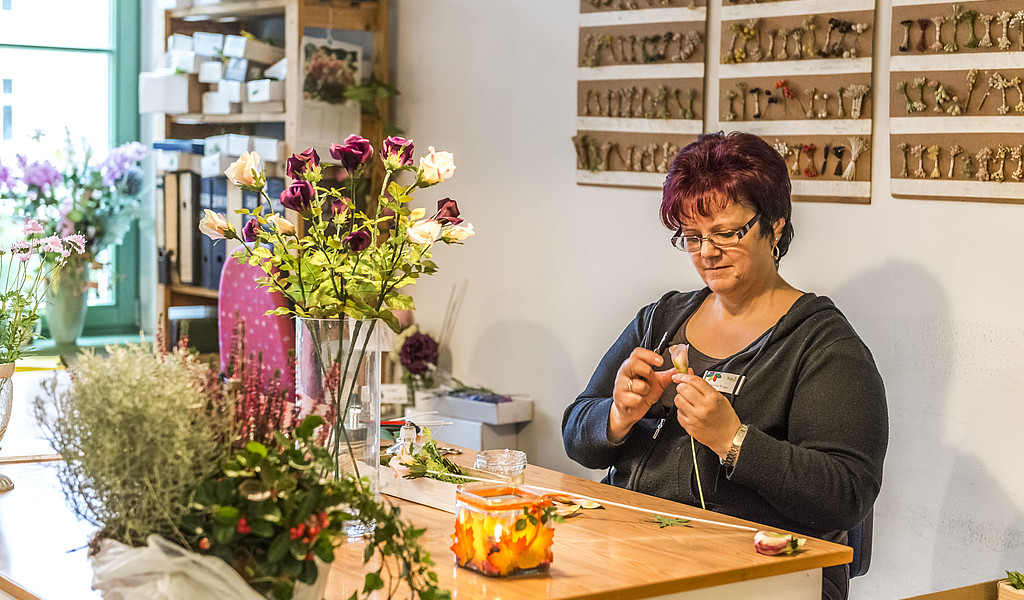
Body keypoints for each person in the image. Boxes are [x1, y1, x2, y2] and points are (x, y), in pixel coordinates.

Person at [562, 131, 887, 600]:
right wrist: (617, 416)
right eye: (692, 237)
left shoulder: (821, 344)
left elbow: (847, 494)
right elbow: (576, 433)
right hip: (638, 552)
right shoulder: (662, 320)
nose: (707, 253)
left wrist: (734, 441)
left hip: (759, 575)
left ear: (774, 225)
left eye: (726, 233)